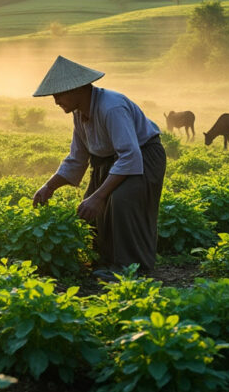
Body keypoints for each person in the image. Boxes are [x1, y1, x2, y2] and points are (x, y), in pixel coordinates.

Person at [30, 56, 166, 277]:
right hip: (109, 160)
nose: (56, 101)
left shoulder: (111, 107)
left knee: (121, 201)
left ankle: (129, 268)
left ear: (78, 89)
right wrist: (49, 186)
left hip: (143, 156)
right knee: (89, 207)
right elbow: (77, 157)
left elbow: (130, 155)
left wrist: (100, 196)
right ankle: (103, 262)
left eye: (59, 94)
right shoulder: (79, 113)